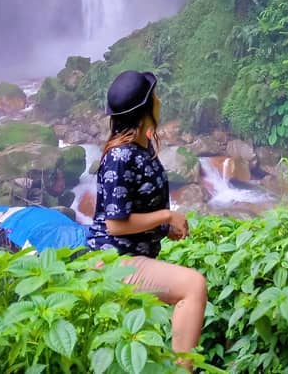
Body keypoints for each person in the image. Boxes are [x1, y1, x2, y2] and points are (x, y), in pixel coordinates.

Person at [85, 70, 207, 368]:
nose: (159, 100)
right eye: (154, 96)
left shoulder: (144, 145)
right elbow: (115, 223)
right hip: (112, 261)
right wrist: (166, 215)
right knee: (193, 286)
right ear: (144, 110)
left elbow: (137, 203)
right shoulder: (120, 156)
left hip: (132, 255)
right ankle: (182, 370)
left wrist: (164, 227)